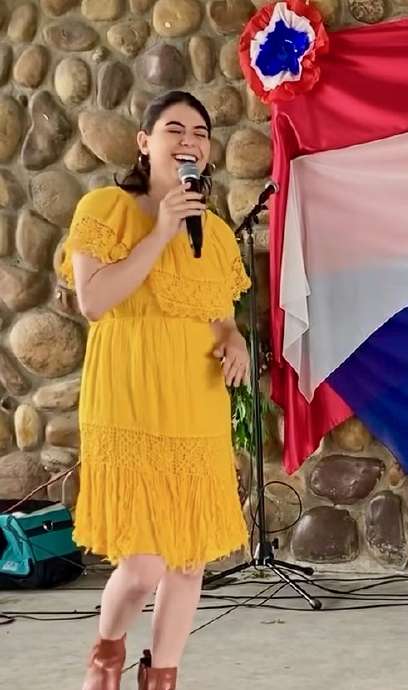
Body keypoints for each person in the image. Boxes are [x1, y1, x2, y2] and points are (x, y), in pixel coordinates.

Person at [59, 90, 252, 690]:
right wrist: (161, 230)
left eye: (200, 131)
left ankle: (161, 677)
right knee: (142, 565)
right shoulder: (103, 208)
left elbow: (218, 314)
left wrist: (236, 340)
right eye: (174, 129)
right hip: (129, 398)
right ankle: (107, 652)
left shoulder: (215, 235)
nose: (189, 140)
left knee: (189, 561)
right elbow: (94, 301)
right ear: (145, 143)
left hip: (195, 402)